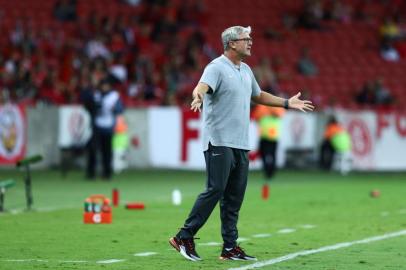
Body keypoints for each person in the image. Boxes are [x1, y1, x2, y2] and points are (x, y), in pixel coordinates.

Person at [169, 25, 314, 262]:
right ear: (232, 43)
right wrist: (198, 96)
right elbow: (201, 87)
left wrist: (287, 103)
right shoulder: (216, 67)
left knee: (234, 197)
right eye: (246, 39)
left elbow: (258, 95)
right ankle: (184, 236)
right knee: (215, 189)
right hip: (219, 140)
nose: (251, 42)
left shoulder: (245, 69)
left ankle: (229, 247)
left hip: (240, 142)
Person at [84, 78, 124, 180]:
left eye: (106, 85)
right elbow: (88, 105)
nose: (104, 88)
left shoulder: (114, 96)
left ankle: (107, 173)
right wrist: (95, 106)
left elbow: (120, 109)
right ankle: (91, 173)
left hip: (108, 126)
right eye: (103, 85)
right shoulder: (96, 95)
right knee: (93, 149)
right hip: (97, 125)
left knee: (107, 152)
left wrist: (114, 109)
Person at [252, 105, 285, 199]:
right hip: (265, 135)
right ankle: (268, 171)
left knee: (270, 155)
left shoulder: (276, 105)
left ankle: (270, 172)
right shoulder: (262, 106)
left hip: (272, 135)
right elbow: (256, 117)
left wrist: (269, 109)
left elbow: (279, 114)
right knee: (264, 154)